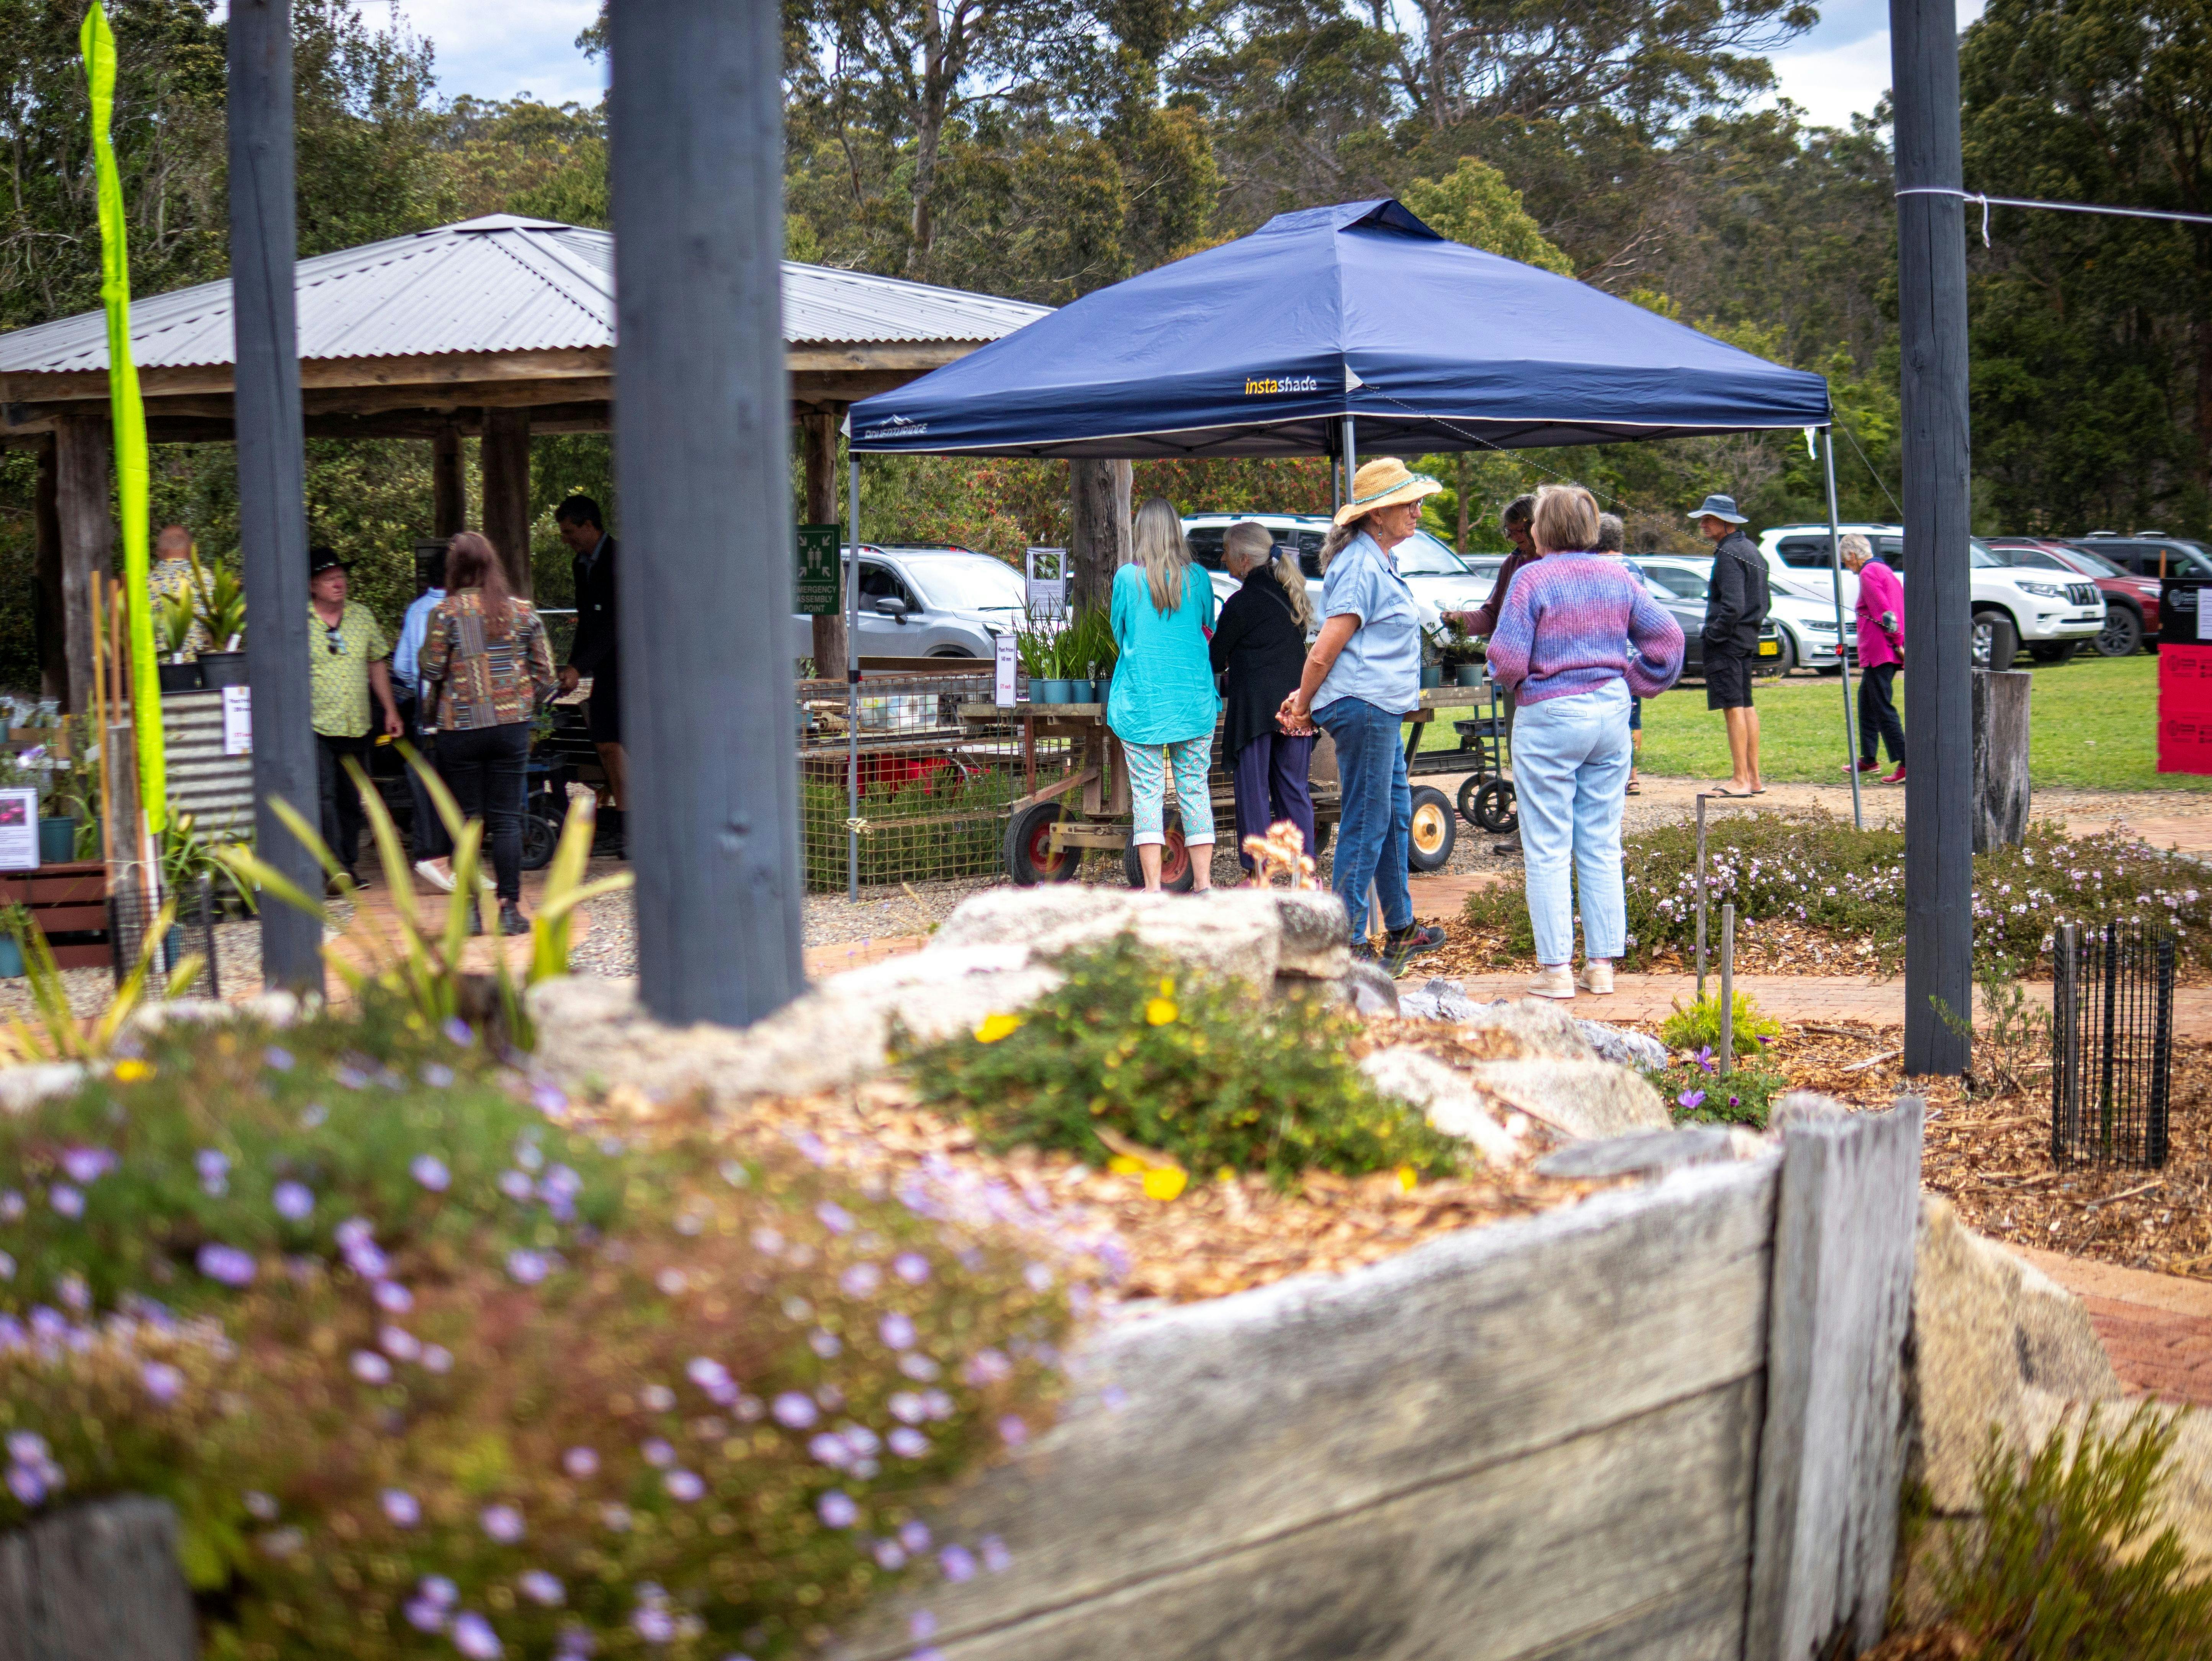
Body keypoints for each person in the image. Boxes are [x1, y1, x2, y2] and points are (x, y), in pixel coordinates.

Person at [1486, 484, 1685, 999]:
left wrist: (1518, 683)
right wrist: (1636, 682)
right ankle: (1602, 967)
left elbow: (1506, 658)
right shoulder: (1618, 576)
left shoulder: (1531, 579)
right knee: (1600, 841)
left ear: (1541, 528)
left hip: (1550, 713)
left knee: (1548, 846)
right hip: (1610, 712)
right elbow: (1668, 640)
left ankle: (1556, 971)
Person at [1279, 457, 1448, 969]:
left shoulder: (1378, 558)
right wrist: (1303, 702)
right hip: (1366, 707)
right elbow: (1327, 649)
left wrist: (1306, 697)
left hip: (1380, 708)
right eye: (1408, 504)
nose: (1418, 511)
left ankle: (1400, 928)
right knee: (1367, 821)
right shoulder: (1360, 563)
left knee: (1395, 816)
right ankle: (1345, 942)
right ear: (1377, 515)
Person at [415, 532, 557, 936]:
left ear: (454, 569)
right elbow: (547, 673)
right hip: (510, 728)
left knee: (467, 821)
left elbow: (430, 670)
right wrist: (521, 700)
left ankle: (475, 912)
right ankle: (510, 909)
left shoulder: (444, 614)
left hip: (460, 728)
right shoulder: (522, 612)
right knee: (508, 819)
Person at [1109, 497, 1219, 892]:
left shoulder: (1126, 579)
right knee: (1194, 790)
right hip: (1192, 701)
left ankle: (1153, 891)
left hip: (1142, 703)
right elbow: (1209, 628)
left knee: (1148, 796)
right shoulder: (1200, 578)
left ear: (1141, 532)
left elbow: (1120, 634)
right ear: (1176, 531)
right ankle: (1204, 886)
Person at [1209, 520, 1317, 877]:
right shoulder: (1291, 594)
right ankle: (1304, 874)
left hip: (1255, 713)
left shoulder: (1241, 604)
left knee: (1253, 793)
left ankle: (1258, 875)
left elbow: (1214, 658)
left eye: (1226, 553)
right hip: (1296, 709)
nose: (1223, 559)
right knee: (1294, 791)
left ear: (1243, 561)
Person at [1446, 493, 1538, 855]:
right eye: (1510, 532)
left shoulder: (1554, 563)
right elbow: (1492, 614)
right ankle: (1527, 834)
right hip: (1520, 681)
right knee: (1523, 754)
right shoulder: (1512, 564)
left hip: (1550, 679)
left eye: (1521, 532)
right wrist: (1460, 621)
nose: (1516, 539)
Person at [307, 549, 404, 889]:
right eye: (329, 577)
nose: (339, 583)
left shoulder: (362, 616)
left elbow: (377, 662)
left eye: (342, 577)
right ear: (312, 586)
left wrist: (390, 710)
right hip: (315, 726)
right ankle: (332, 870)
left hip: (357, 724)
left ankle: (348, 865)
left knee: (352, 798)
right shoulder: (299, 621)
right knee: (324, 797)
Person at [555, 495, 626, 857]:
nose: (566, 539)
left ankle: (630, 825)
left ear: (589, 525)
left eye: (569, 532)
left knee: (614, 743)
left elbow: (618, 623)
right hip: (606, 666)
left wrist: (579, 667)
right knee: (605, 742)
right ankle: (621, 819)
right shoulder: (580, 564)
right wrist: (571, 667)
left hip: (633, 664)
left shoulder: (619, 559)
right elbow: (588, 622)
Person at [1690, 492, 1769, 796]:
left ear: (1726, 522)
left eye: (1708, 519)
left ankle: (1740, 780)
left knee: (1733, 707)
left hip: (1729, 643)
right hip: (1746, 639)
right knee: (1746, 704)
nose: (1703, 525)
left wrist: (1714, 634)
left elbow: (1733, 606)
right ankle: (1754, 778)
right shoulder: (1752, 549)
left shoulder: (1729, 554)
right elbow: (1765, 602)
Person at [391, 544, 459, 891]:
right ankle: (456, 856)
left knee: (430, 780)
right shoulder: (463, 610)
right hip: (464, 711)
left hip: (427, 710)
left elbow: (403, 667)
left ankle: (433, 854)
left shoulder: (417, 611)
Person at [1843, 533, 1906, 784]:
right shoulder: (1885, 571)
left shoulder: (1869, 574)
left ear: (1852, 555)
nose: (1848, 567)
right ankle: (1869, 759)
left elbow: (1886, 614)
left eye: (1846, 562)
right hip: (1883, 651)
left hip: (1881, 651)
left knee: (1882, 706)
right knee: (1867, 702)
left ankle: (1906, 761)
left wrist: (1898, 643)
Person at [1595, 513, 1643, 794]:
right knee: (1633, 716)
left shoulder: (1592, 565)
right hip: (1632, 654)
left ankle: (1609, 772)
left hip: (1604, 652)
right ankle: (1633, 775)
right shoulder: (1635, 567)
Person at [147, 524, 209, 656]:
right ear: (192, 549)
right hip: (202, 668)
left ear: (159, 552)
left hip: (158, 670)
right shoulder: (206, 579)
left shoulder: (146, 583)